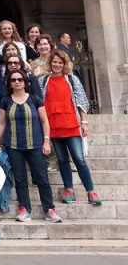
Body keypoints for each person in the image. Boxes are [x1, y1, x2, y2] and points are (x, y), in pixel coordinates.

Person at [0, 71, 63, 223]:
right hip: (14, 145)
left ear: (25, 82)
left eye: (20, 79)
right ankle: (24, 209)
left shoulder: (35, 99)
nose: (17, 82)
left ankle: (49, 209)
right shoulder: (6, 101)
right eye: (13, 80)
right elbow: (2, 122)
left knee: (42, 177)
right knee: (20, 179)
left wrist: (46, 141)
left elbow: (44, 121)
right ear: (9, 83)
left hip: (35, 144)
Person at [41, 50, 102, 206]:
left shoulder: (72, 79)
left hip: (71, 125)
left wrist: (84, 123)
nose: (57, 65)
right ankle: (68, 189)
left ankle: (91, 191)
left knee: (79, 159)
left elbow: (81, 101)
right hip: (53, 127)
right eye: (54, 62)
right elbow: (40, 103)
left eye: (60, 62)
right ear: (50, 63)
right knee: (62, 160)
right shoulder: (44, 80)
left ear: (64, 64)